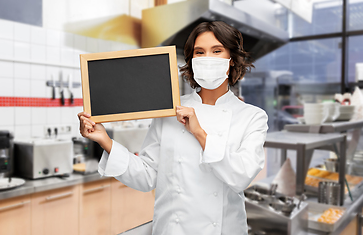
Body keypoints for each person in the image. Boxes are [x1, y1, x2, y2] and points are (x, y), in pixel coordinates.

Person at [78, 21, 268, 235]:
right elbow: (147, 177)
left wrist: (199, 132)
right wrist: (106, 141)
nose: (207, 59)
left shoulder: (252, 117)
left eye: (217, 51)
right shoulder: (170, 110)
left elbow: (240, 177)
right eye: (199, 52)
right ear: (192, 61)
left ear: (231, 60)